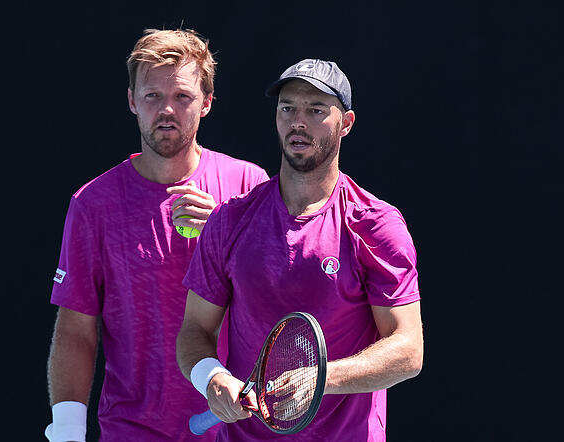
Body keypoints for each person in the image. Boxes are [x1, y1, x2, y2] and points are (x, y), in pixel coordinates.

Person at [176, 59, 423, 441]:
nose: (298, 122)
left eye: (316, 110)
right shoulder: (229, 220)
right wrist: (212, 377)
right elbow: (195, 330)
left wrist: (323, 378)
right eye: (287, 108)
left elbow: (408, 350)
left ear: (346, 123)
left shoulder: (376, 225)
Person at [45, 29, 269, 442]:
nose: (167, 109)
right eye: (152, 96)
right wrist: (67, 434)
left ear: (206, 103)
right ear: (132, 101)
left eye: (182, 96)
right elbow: (76, 330)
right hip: (133, 431)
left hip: (238, 430)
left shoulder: (250, 186)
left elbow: (278, 298)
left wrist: (226, 232)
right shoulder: (92, 204)